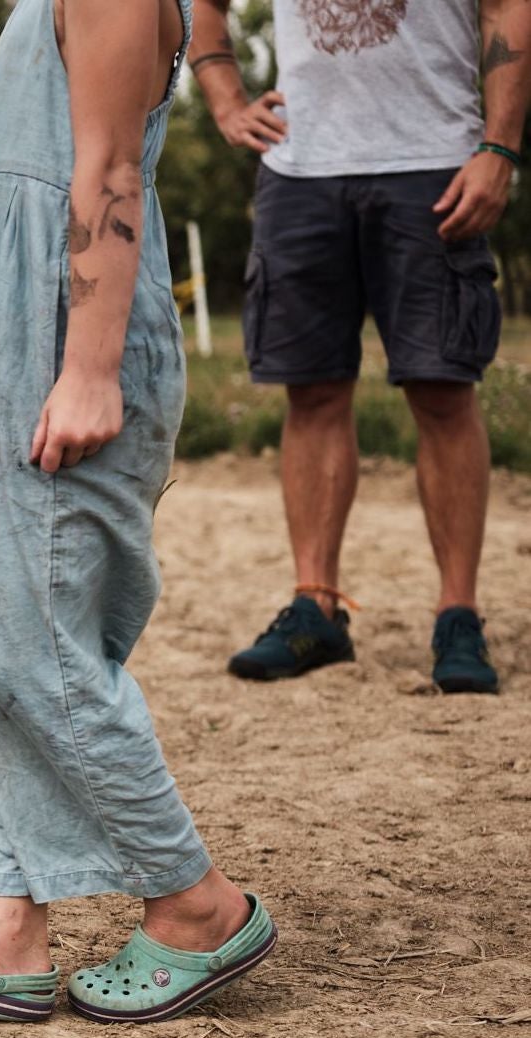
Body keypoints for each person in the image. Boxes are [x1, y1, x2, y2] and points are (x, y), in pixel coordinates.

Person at [0, 0, 276, 1025]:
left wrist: (86, 369)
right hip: (18, 314)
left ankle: (195, 903)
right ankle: (6, 923)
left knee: (36, 646)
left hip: (61, 327)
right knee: (5, 639)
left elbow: (112, 172)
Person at [195, 1, 530, 694]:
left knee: (443, 390)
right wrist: (224, 97)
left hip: (435, 160)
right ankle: (315, 607)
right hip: (300, 170)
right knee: (311, 389)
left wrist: (499, 148)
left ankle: (458, 616)